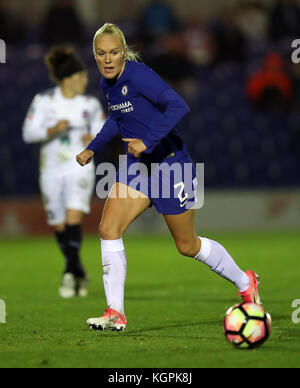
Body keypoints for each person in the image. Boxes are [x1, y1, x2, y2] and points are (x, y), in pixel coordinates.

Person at [76, 23, 261, 332]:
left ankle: (245, 281)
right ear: (95, 55)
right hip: (138, 167)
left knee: (187, 245)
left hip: (170, 164)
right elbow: (117, 118)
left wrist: (148, 141)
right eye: (101, 53)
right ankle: (115, 313)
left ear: (124, 53)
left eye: (114, 52)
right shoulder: (107, 83)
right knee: (108, 229)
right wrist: (92, 148)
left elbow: (177, 105)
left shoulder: (138, 75)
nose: (107, 59)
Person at [23, 46, 105, 298]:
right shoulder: (44, 101)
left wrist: (94, 137)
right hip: (50, 169)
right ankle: (77, 270)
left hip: (79, 167)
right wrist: (52, 130)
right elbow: (28, 134)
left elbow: (104, 130)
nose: (85, 80)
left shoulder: (90, 104)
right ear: (67, 79)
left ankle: (69, 275)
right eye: (80, 76)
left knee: (73, 218)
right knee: (58, 224)